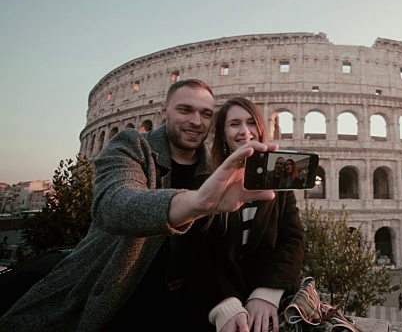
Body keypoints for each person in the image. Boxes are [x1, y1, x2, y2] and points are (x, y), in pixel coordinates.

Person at [0, 80, 279, 330]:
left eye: (206, 114)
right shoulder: (132, 145)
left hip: (185, 297)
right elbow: (115, 203)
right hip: (112, 286)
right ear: (163, 111)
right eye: (185, 110)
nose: (196, 121)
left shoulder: (216, 168)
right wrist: (194, 203)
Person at [172, 97, 304, 332]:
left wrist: (267, 292)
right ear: (223, 134)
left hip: (267, 307)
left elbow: (292, 240)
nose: (245, 131)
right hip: (213, 307)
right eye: (234, 124)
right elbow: (193, 251)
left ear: (262, 128)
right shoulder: (204, 181)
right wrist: (224, 302)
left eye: (251, 122)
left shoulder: (279, 182)